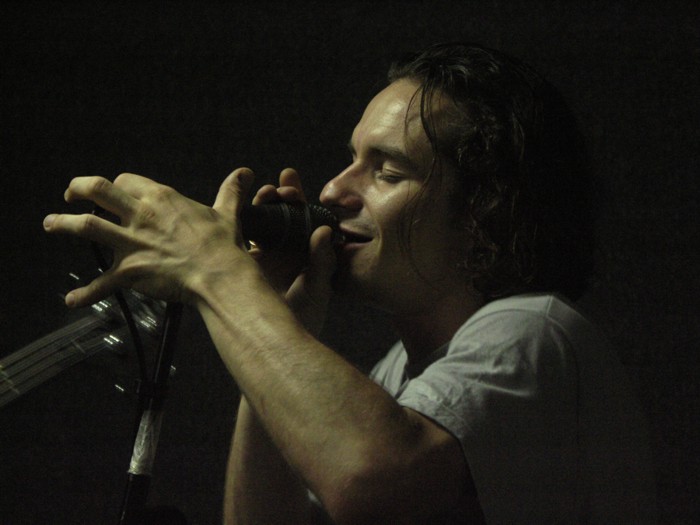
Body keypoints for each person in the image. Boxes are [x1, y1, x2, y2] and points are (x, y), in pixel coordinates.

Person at [44, 43, 656, 523]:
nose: (335, 189)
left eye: (386, 171)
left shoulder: (535, 330)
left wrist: (217, 273)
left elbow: (368, 480)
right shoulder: (399, 374)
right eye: (352, 158)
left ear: (484, 213)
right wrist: (281, 318)